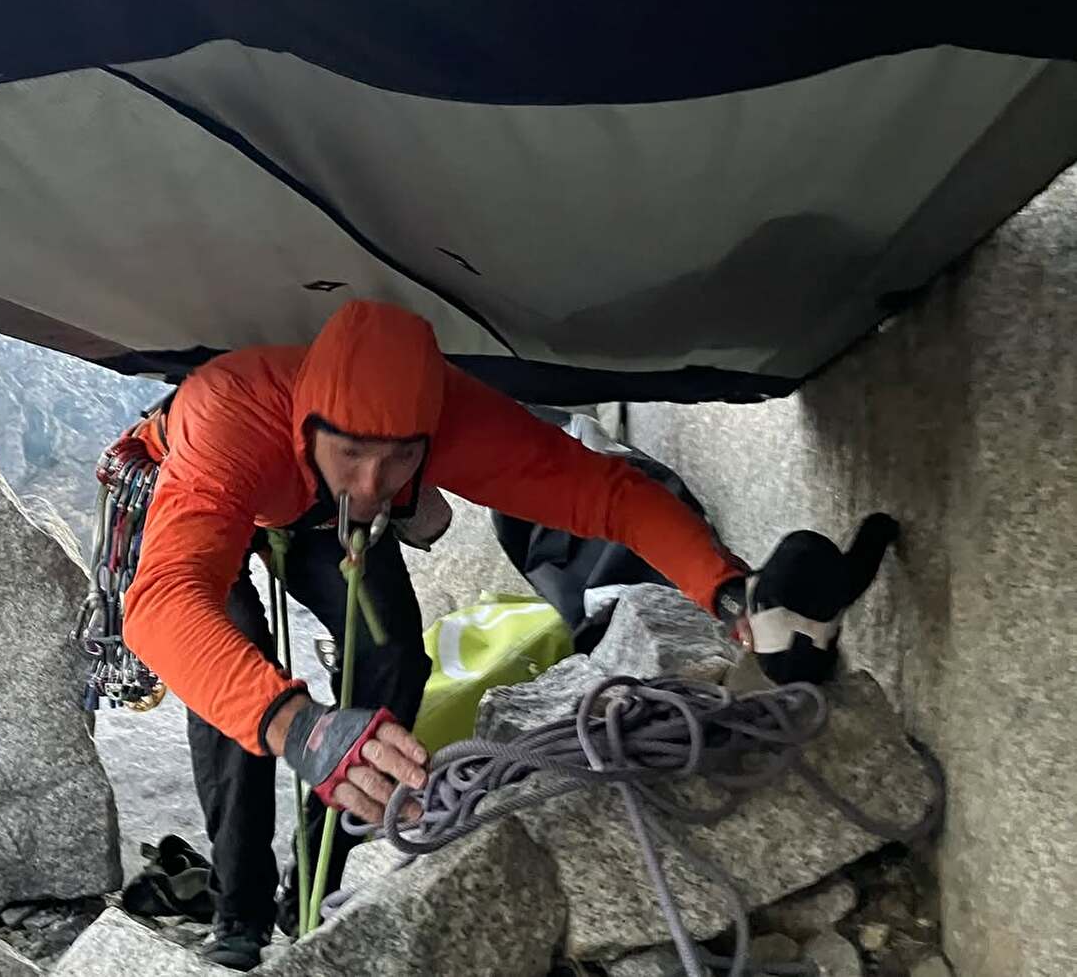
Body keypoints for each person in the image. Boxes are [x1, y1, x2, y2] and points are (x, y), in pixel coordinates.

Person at [122, 300, 885, 970]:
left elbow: (605, 495)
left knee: (392, 658)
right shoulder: (231, 416)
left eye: (397, 460)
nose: (371, 479)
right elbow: (162, 604)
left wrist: (727, 592)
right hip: (214, 491)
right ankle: (240, 910)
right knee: (232, 679)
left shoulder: (436, 420)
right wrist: (297, 723)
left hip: (318, 513)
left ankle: (318, 871)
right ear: (312, 422)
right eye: (352, 452)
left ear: (427, 437)